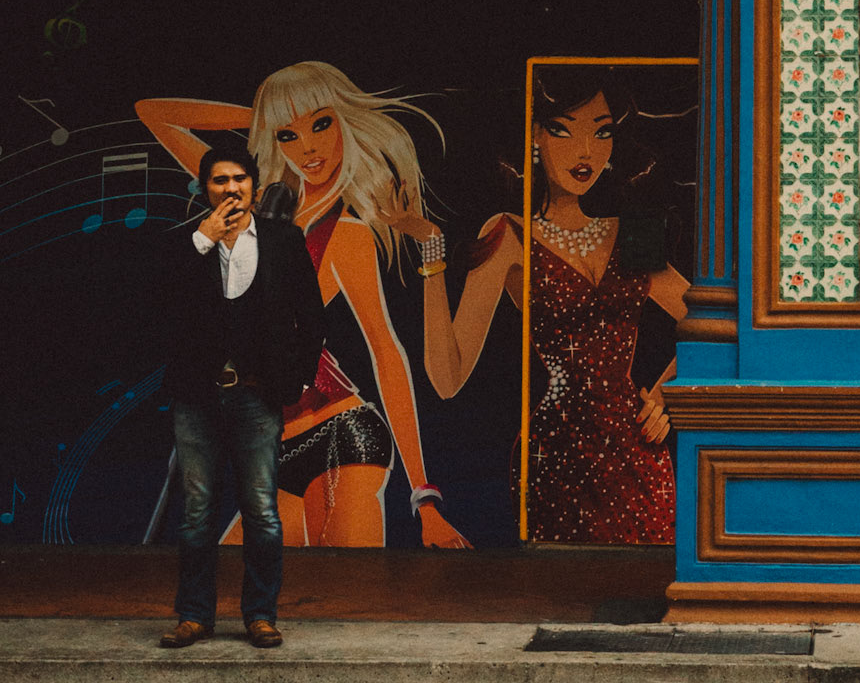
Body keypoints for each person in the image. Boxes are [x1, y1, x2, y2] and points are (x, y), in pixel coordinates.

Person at [137, 62, 467, 548]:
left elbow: (386, 352)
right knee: (234, 579)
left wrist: (424, 496)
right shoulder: (248, 204)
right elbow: (154, 113)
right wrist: (265, 117)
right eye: (288, 136)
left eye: (320, 124)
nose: (308, 148)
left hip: (342, 436)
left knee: (348, 594)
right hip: (274, 446)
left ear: (344, 121)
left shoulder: (347, 234)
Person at [388, 66, 688, 543]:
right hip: (557, 458)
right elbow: (447, 379)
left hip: (640, 453)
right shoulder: (509, 234)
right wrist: (431, 248)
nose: (585, 150)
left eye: (601, 131)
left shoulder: (633, 228)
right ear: (534, 137)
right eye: (563, 130)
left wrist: (671, 392)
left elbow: (709, 319)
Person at [159, 144, 324, 651]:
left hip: (257, 397)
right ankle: (194, 616)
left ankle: (260, 615)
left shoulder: (283, 240)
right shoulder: (182, 244)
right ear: (204, 188)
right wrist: (200, 243)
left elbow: (311, 317)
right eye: (219, 180)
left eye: (240, 180)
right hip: (196, 398)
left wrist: (294, 381)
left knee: (261, 510)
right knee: (198, 511)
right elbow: (159, 307)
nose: (231, 189)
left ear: (254, 185)